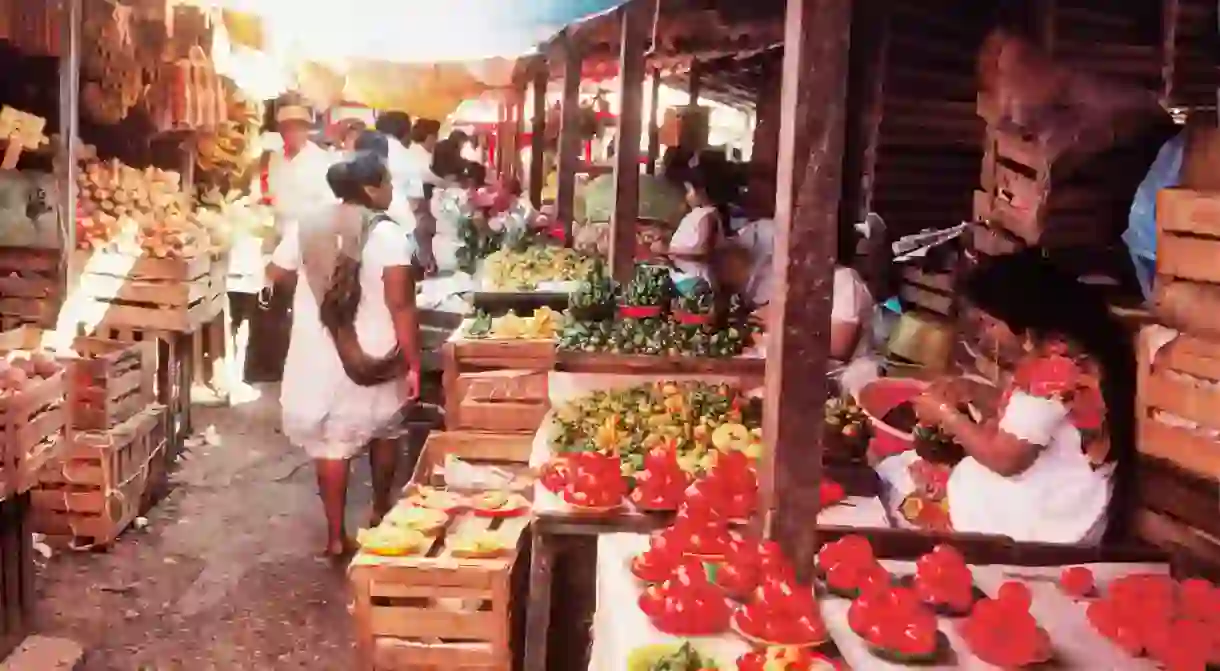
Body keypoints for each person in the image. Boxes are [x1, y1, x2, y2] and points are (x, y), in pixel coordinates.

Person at [907, 249, 1134, 544]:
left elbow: (1006, 459)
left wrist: (944, 413)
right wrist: (976, 392)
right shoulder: (1077, 350)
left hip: (1056, 521)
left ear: (1021, 321)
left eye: (990, 323)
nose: (986, 335)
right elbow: (1043, 419)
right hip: (1078, 497)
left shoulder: (1051, 370)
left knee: (915, 483)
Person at [266, 151, 421, 558]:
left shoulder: (309, 225)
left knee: (331, 444)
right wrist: (414, 361)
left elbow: (276, 273)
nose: (391, 189)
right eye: (387, 182)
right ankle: (381, 510)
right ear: (370, 190)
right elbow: (401, 303)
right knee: (386, 429)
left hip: (320, 350)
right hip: (374, 351)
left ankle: (336, 536)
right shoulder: (388, 234)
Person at [652, 165, 729, 294]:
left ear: (701, 191)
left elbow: (703, 251)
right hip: (683, 276)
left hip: (696, 280)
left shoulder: (708, 216)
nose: (687, 196)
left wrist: (670, 252)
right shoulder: (697, 213)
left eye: (689, 191)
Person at [403, 118, 446, 275]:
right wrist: (448, 184)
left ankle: (426, 265)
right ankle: (423, 267)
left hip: (417, 201)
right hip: (415, 201)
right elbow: (427, 176)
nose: (436, 141)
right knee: (422, 236)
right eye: (435, 137)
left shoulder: (414, 152)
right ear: (429, 136)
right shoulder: (418, 154)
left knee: (423, 236)